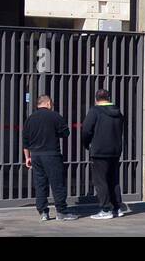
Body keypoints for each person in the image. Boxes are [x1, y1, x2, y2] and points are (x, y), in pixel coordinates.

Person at [22, 94, 75, 221]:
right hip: (51, 154)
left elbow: (25, 141)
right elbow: (65, 133)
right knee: (57, 183)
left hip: (35, 155)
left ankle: (43, 212)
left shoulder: (30, 119)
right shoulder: (54, 116)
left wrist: (27, 157)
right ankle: (61, 212)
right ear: (48, 103)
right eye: (51, 104)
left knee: (40, 184)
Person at [81, 87, 128, 219]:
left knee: (100, 180)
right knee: (114, 180)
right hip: (115, 150)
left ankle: (105, 209)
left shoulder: (94, 111)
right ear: (108, 98)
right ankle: (117, 208)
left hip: (100, 151)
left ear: (96, 99)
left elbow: (86, 130)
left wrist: (87, 144)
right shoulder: (118, 112)